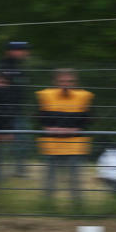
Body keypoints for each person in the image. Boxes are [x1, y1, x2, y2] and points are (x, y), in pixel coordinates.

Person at [36, 69, 94, 206]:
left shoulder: (84, 97)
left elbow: (89, 119)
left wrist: (74, 129)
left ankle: (77, 206)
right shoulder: (45, 96)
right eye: (62, 81)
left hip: (74, 144)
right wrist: (50, 129)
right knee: (49, 178)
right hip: (52, 144)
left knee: (75, 178)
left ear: (75, 83)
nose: (66, 84)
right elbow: (40, 118)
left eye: (69, 82)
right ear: (55, 82)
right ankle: (47, 205)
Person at [0, 40, 31, 177]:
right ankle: (0, 171)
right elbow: (3, 90)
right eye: (21, 50)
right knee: (2, 142)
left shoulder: (19, 67)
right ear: (11, 51)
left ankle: (18, 170)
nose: (24, 53)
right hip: (4, 112)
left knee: (22, 141)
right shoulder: (2, 67)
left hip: (17, 111)